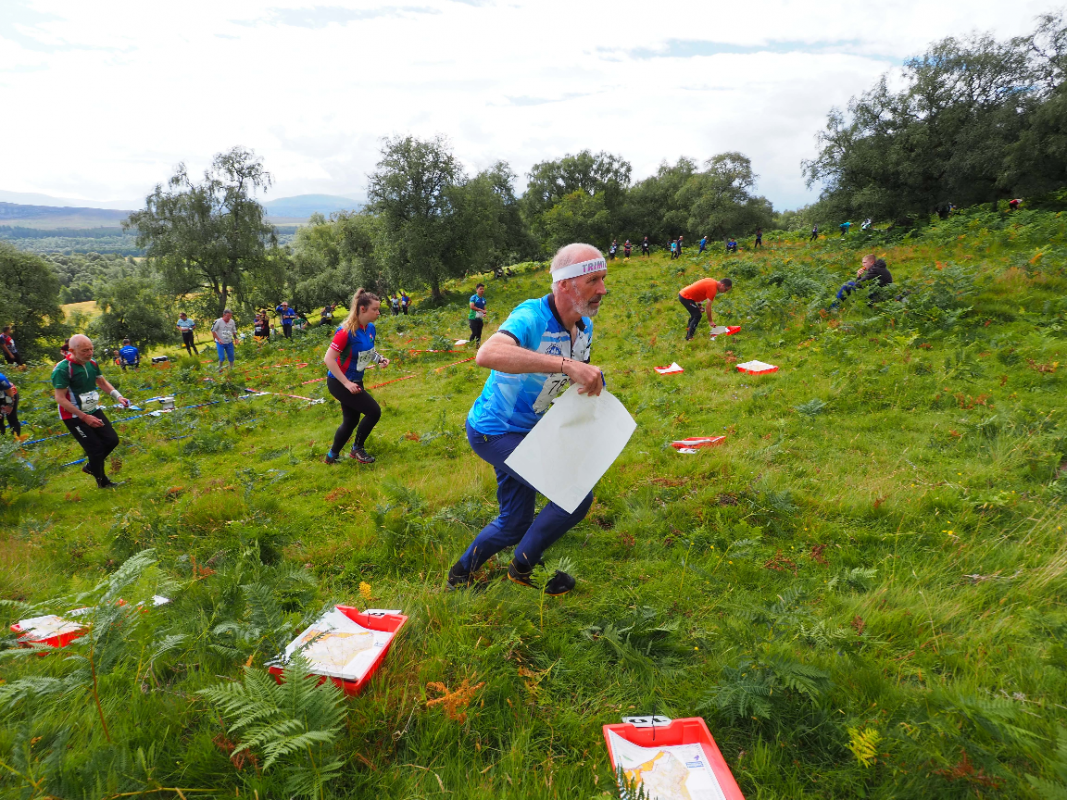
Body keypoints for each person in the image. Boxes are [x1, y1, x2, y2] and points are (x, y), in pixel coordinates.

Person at [446, 242, 608, 596]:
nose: (603, 289)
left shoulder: (585, 328)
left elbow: (563, 382)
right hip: (495, 431)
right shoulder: (531, 316)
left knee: (514, 522)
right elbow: (487, 353)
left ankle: (459, 574)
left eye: (604, 279)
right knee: (574, 496)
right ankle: (521, 569)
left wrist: (589, 381)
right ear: (565, 284)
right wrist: (566, 365)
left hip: (530, 430)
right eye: (593, 280)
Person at [52, 334, 129, 489]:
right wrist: (84, 417)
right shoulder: (62, 369)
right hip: (73, 415)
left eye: (91, 349)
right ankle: (103, 482)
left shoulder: (92, 363)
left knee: (112, 440)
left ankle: (91, 466)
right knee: (95, 448)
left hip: (92, 409)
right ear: (72, 350)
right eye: (85, 351)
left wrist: (118, 396)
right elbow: (60, 398)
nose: (89, 353)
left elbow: (101, 382)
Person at [322, 289, 389, 465]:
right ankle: (357, 449)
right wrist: (346, 383)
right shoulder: (345, 332)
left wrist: (379, 359)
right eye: (375, 309)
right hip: (339, 382)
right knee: (374, 411)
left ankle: (331, 457)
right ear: (362, 309)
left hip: (355, 380)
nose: (378, 312)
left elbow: (369, 350)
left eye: (378, 309)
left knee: (351, 421)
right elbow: (328, 359)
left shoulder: (370, 328)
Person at [0, 371, 21, 437]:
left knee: (12, 417)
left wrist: (10, 405)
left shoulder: (1, 378)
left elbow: (10, 392)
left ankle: (16, 440)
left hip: (9, 394)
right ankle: (2, 438)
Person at [468, 283, 487, 347]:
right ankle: (470, 345)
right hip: (472, 318)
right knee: (474, 332)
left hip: (479, 318)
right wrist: (481, 311)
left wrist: (484, 313)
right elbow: (472, 307)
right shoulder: (473, 297)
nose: (482, 290)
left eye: (483, 289)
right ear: (477, 290)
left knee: (479, 333)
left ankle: (478, 345)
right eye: (480, 289)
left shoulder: (484, 299)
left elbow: (484, 308)